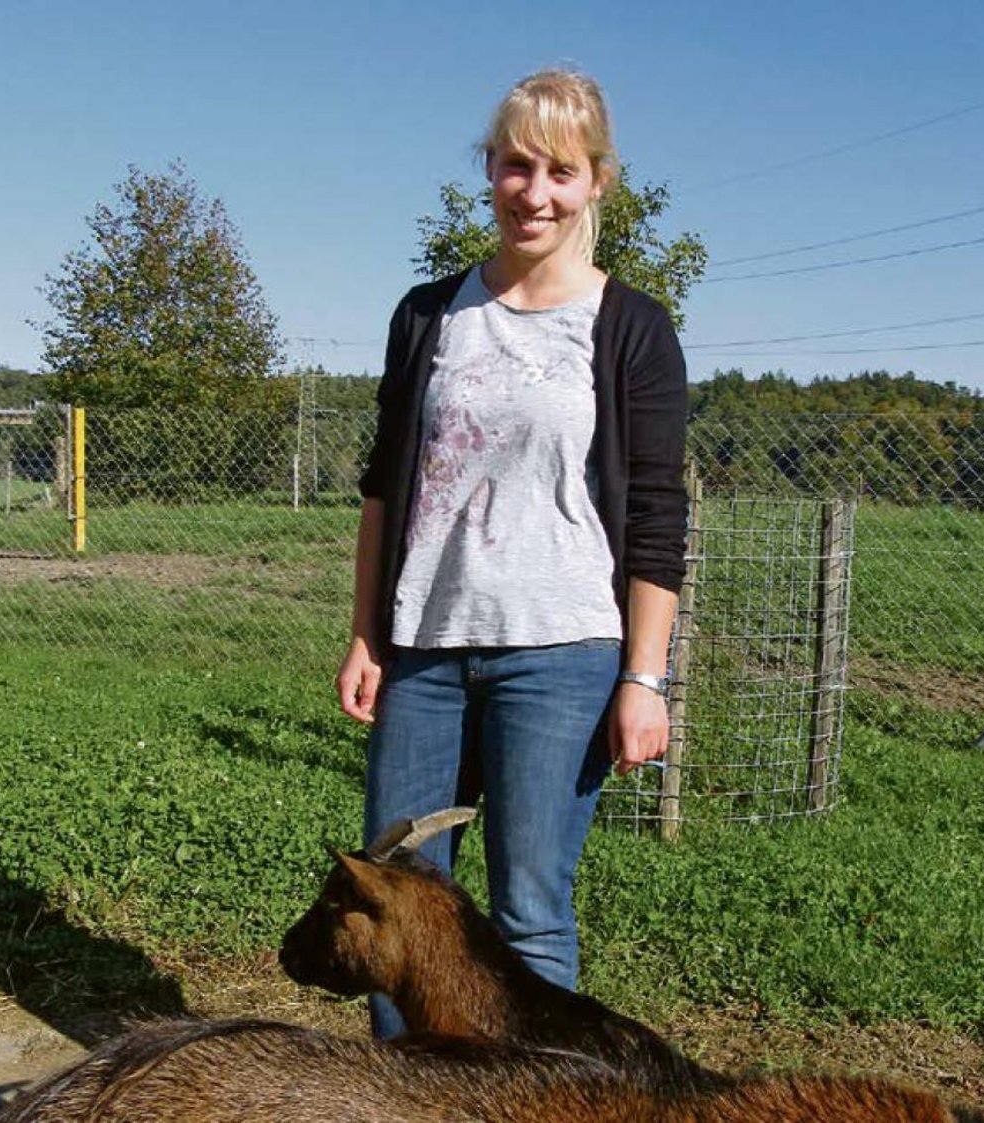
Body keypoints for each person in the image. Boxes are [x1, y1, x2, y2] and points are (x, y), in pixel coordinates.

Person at [336, 68, 689, 1038]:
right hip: (424, 653)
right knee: (393, 905)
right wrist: (366, 633)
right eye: (514, 165)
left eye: (559, 171)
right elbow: (381, 489)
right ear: (487, 171)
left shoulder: (631, 329)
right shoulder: (428, 316)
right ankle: (405, 1103)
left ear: (596, 183)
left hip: (562, 655)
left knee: (530, 917)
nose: (533, 193)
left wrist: (644, 680)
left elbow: (657, 514)